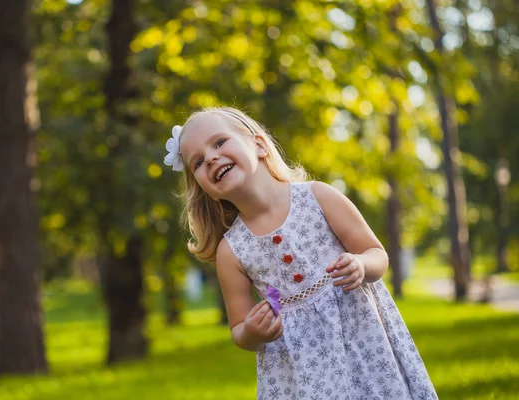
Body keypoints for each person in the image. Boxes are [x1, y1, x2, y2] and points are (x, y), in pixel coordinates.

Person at [164, 106, 438, 400]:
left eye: (219, 143)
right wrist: (252, 334)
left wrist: (360, 263)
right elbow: (238, 328)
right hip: (302, 367)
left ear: (258, 144)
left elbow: (376, 253)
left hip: (361, 340)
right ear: (204, 188)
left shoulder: (318, 197)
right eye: (198, 162)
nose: (212, 158)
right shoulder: (231, 251)